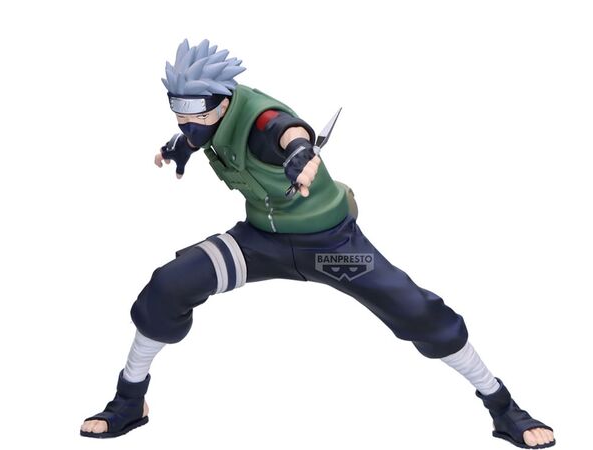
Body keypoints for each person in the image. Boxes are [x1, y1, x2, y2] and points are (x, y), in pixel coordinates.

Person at [81, 39, 555, 448]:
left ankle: (502, 406)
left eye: (198, 115)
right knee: (168, 286)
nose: (189, 123)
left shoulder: (261, 121)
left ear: (224, 102)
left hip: (328, 246)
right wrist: (180, 147)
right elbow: (198, 134)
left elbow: (287, 129)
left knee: (416, 310)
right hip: (260, 242)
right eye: (179, 113)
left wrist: (301, 152)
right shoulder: (205, 120)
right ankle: (130, 401)